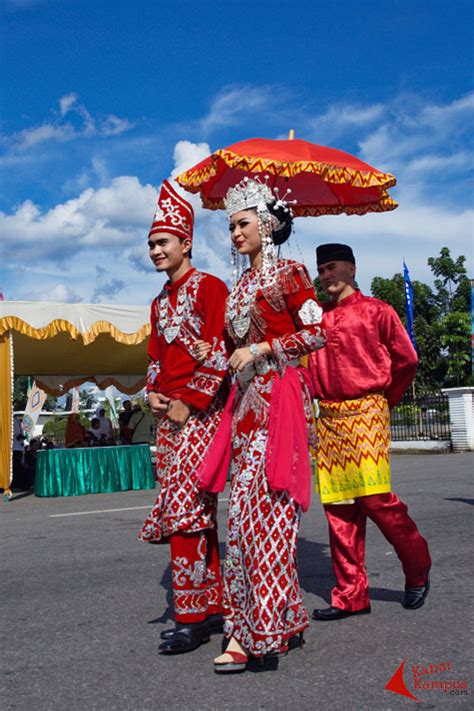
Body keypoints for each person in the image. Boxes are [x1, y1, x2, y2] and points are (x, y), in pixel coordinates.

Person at [202, 177, 326, 673]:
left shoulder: (290, 274)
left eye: (243, 223)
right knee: (246, 521)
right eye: (230, 225)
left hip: (280, 402)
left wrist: (262, 348)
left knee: (267, 519)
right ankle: (277, 617)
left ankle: (255, 632)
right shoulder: (239, 287)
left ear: (267, 224)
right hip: (245, 409)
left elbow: (317, 333)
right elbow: (226, 350)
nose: (234, 233)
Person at [309, 243, 431, 622]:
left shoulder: (378, 310)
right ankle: (350, 596)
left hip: (367, 410)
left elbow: (407, 359)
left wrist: (384, 402)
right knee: (339, 509)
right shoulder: (317, 322)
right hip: (328, 418)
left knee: (377, 500)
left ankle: (417, 570)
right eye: (322, 270)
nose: (326, 275)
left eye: (332, 267)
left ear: (351, 268)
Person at [138, 179, 229, 655]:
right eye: (151, 244)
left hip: (201, 416)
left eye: (162, 242)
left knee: (185, 514)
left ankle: (191, 618)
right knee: (194, 515)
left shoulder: (212, 288)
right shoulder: (157, 303)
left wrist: (189, 402)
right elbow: (155, 357)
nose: (155, 250)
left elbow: (220, 350)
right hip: (168, 419)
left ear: (185, 243)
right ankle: (213, 606)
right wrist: (154, 393)